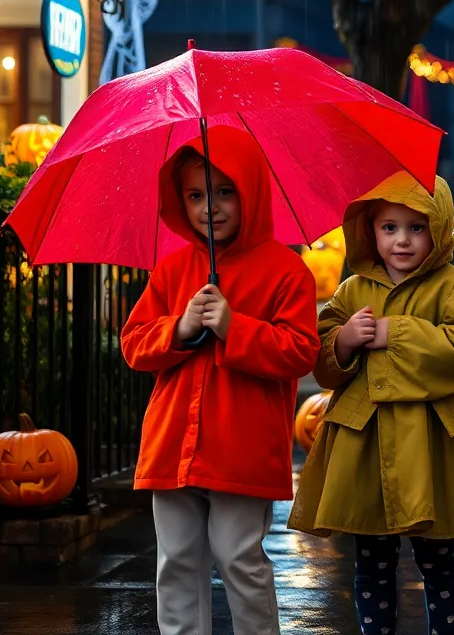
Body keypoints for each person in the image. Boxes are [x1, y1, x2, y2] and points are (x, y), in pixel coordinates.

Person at [288, 172, 454, 635]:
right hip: (366, 443)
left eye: (417, 227)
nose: (402, 240)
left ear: (439, 230)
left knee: (438, 555)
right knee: (371, 556)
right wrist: (343, 343)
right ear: (370, 230)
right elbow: (323, 360)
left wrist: (397, 333)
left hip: (433, 444)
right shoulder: (352, 290)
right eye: (389, 228)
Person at [121, 127, 320, 635]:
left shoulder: (286, 272)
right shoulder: (171, 271)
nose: (210, 207)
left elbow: (300, 352)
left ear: (250, 191)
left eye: (225, 191)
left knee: (239, 560)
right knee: (177, 566)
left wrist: (235, 327)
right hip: (172, 448)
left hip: (242, 449)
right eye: (195, 195)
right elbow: (134, 344)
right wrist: (180, 329)